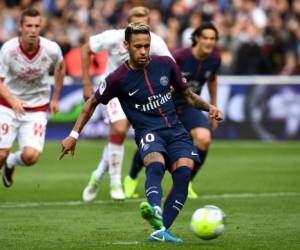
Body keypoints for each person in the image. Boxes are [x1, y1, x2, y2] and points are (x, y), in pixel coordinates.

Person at [60, 23, 223, 243]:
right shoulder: (117, 78)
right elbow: (90, 104)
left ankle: (161, 230)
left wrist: (210, 108)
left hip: (176, 130)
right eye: (138, 46)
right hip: (149, 132)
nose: (144, 51)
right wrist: (74, 135)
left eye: (147, 46)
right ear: (126, 45)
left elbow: (189, 95)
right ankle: (154, 209)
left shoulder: (165, 64)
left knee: (184, 174)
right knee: (154, 164)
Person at [81, 6, 173, 201]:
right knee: (120, 129)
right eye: (135, 20)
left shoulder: (155, 42)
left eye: (144, 20)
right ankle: (115, 183)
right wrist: (87, 83)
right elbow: (85, 49)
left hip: (138, 94)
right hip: (113, 89)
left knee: (117, 135)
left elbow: (170, 66)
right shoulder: (113, 37)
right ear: (127, 23)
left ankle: (97, 175)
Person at [124, 22, 221, 199]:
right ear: (197, 39)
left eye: (213, 39)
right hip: (166, 106)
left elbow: (213, 79)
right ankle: (131, 178)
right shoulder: (180, 57)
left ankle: (186, 182)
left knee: (204, 139)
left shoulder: (215, 59)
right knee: (152, 146)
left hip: (189, 106)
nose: (209, 42)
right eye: (205, 38)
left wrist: (212, 105)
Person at [0, 8, 65, 187]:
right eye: (29, 25)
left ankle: (11, 162)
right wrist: (13, 101)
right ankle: (6, 159)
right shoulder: (8, 49)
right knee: (1, 153)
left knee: (31, 157)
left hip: (36, 108)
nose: (33, 30)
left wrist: (55, 98)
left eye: (37, 26)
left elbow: (61, 67)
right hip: (7, 106)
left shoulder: (51, 49)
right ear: (20, 27)